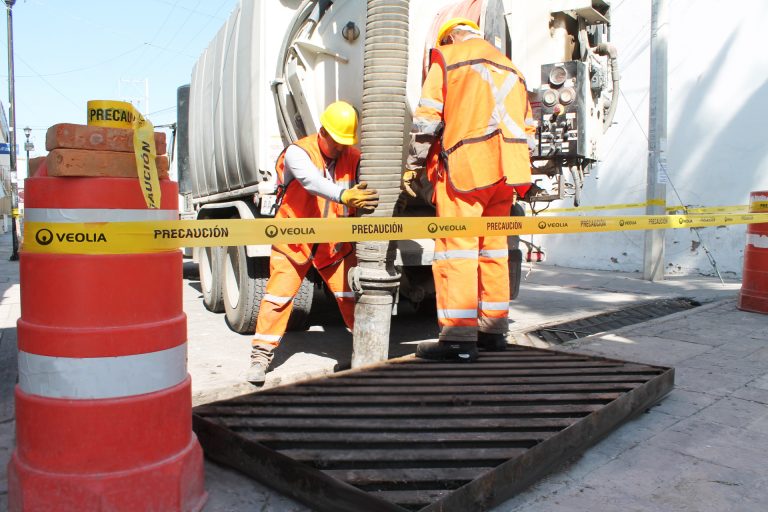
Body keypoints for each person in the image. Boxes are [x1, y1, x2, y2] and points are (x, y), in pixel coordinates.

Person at [402, 18, 534, 362]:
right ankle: (493, 332)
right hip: (509, 171)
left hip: (468, 169)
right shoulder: (512, 69)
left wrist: (414, 165)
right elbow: (529, 128)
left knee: (455, 250)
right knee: (494, 251)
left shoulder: (447, 58)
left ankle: (458, 338)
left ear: (451, 37)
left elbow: (427, 121)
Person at [247, 101, 379, 384]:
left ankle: (369, 354)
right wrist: (344, 196)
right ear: (322, 132)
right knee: (278, 298)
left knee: (352, 298)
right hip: (294, 241)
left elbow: (369, 182)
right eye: (337, 142)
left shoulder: (352, 156)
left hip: (333, 243)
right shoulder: (299, 152)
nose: (341, 148)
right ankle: (261, 355)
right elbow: (310, 182)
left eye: (346, 143)